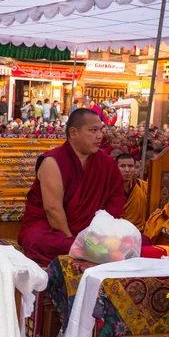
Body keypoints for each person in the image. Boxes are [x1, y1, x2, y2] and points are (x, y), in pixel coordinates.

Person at [18, 108, 125, 265]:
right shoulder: (53, 162)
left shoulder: (107, 164)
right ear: (74, 133)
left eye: (101, 130)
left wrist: (102, 233)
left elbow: (114, 202)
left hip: (94, 231)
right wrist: (76, 243)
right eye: (93, 130)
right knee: (39, 240)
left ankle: (90, 250)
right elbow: (53, 210)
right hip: (54, 229)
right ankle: (88, 251)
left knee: (139, 240)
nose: (100, 136)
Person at [116, 154, 148, 231]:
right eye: (122, 166)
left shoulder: (139, 187)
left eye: (130, 166)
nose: (127, 170)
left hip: (137, 228)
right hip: (114, 229)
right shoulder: (108, 188)